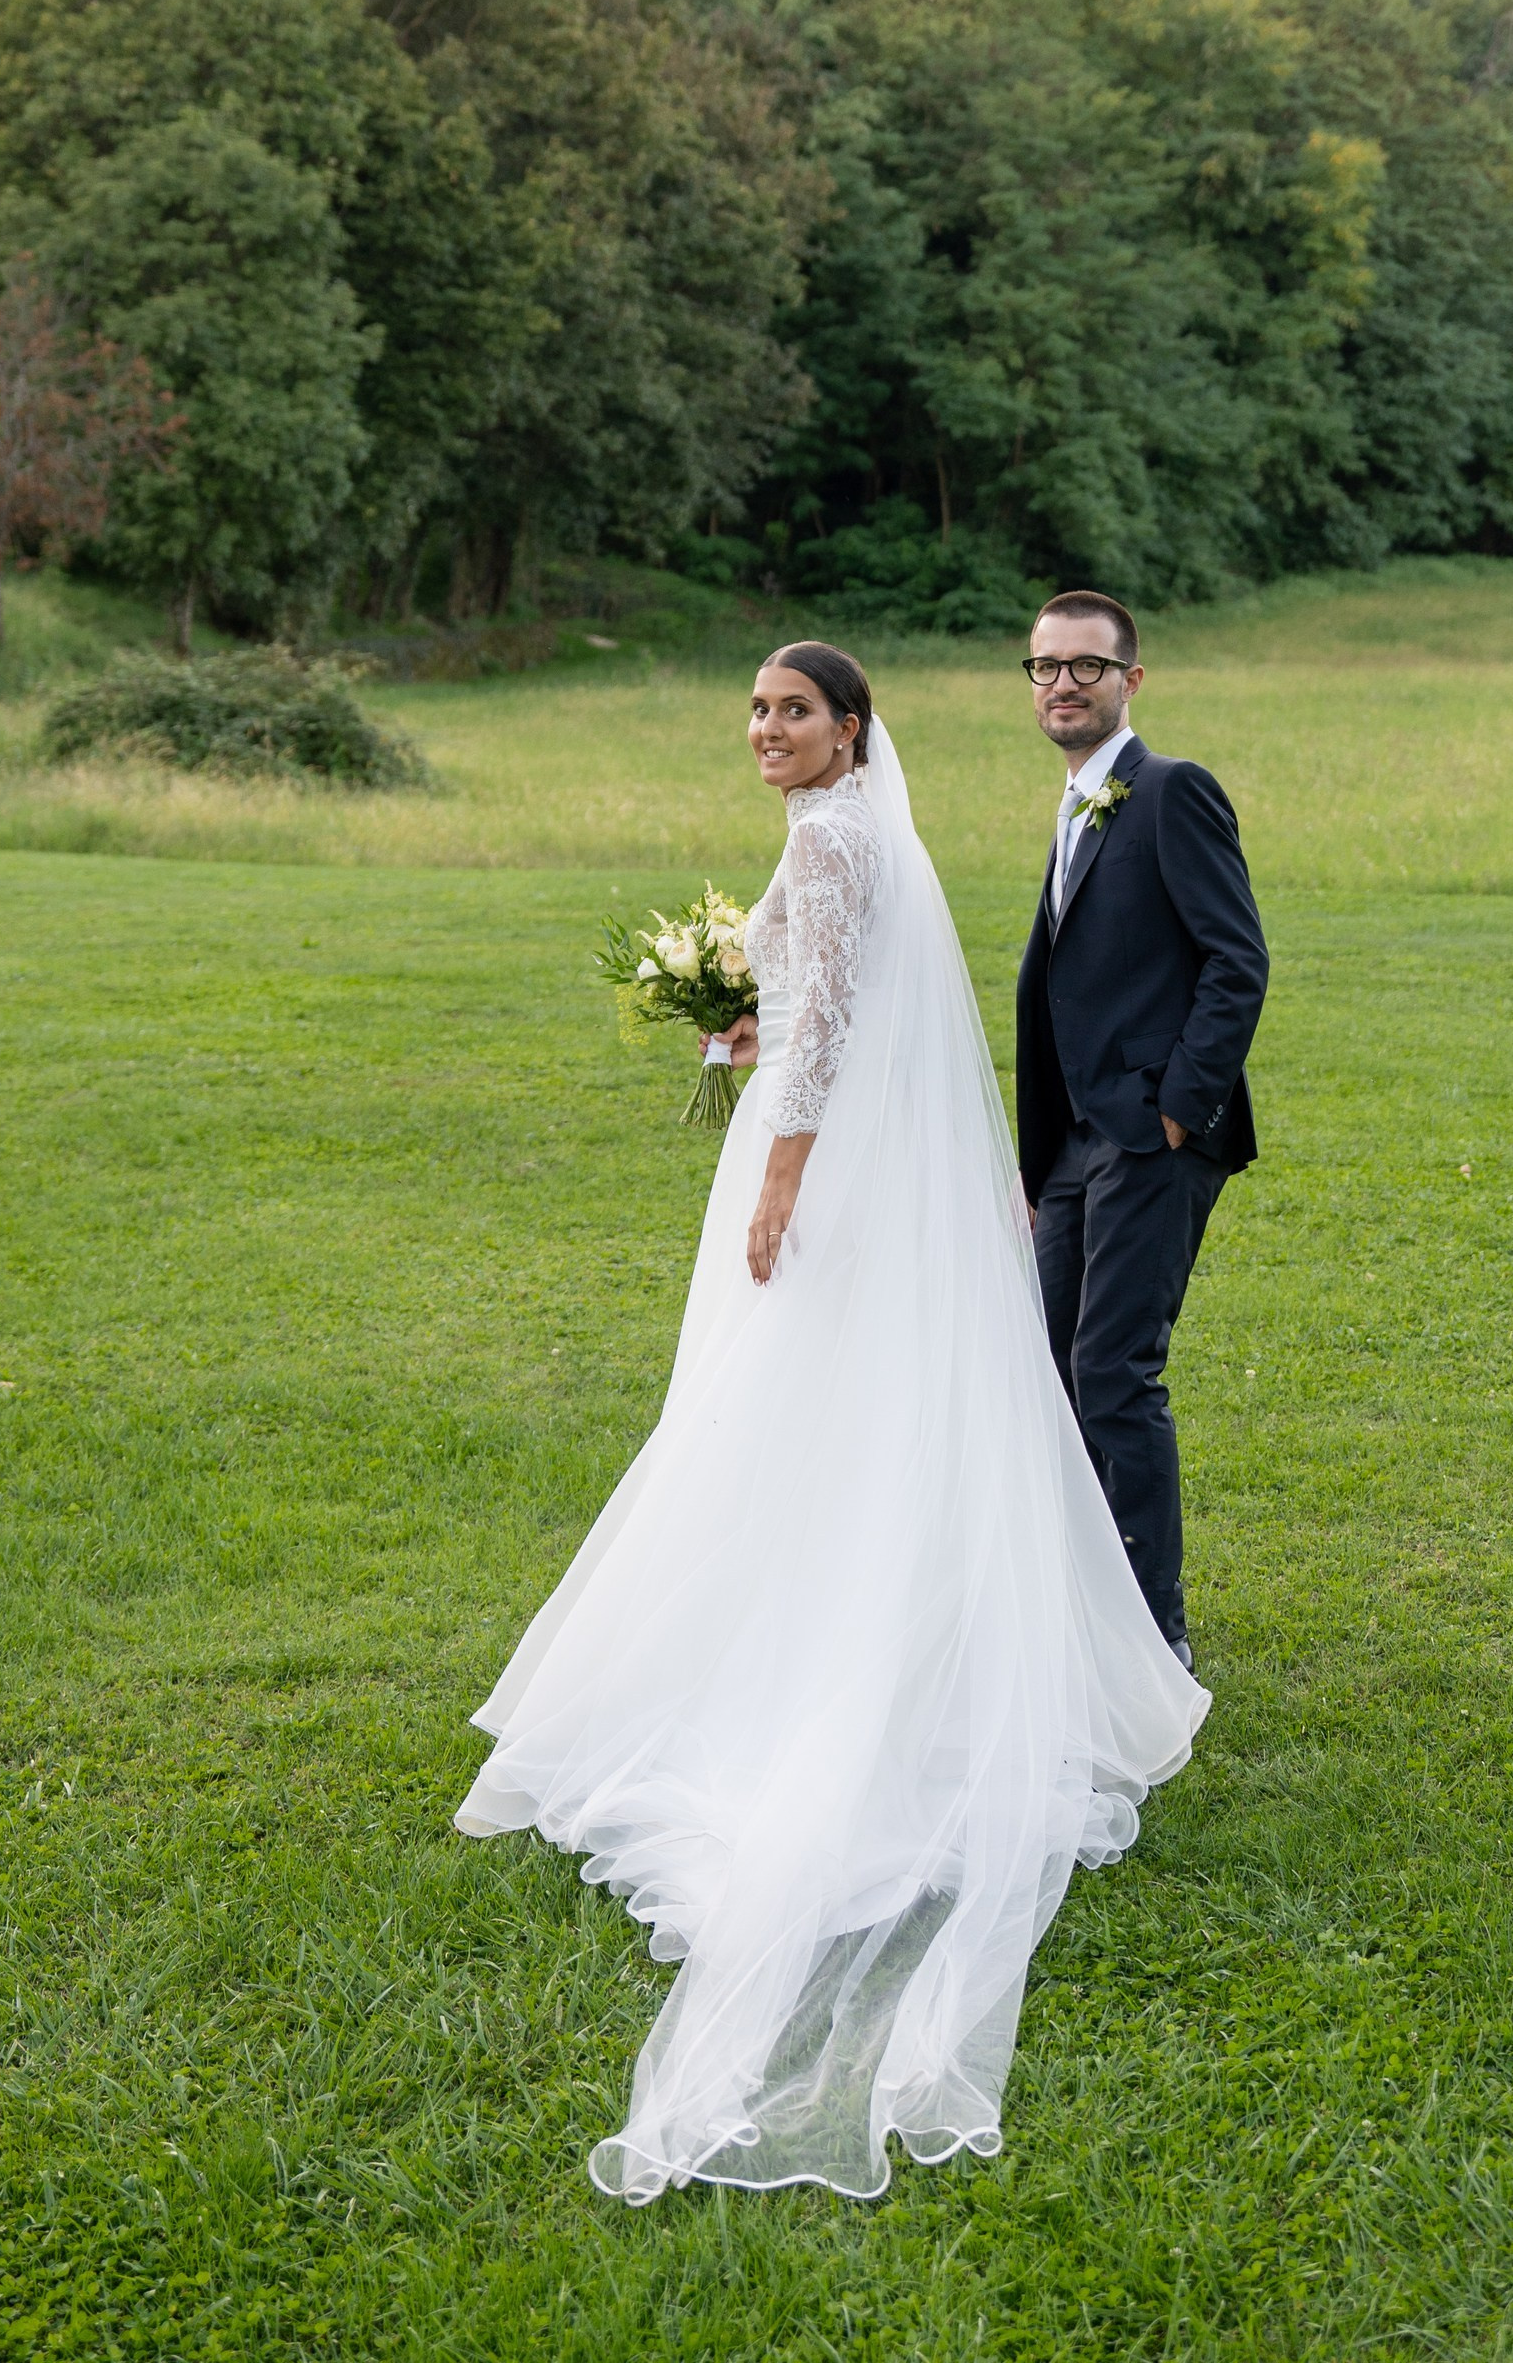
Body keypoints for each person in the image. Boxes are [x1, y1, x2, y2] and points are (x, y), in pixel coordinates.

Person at [456, 642, 1207, 2205]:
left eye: (791, 711)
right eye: (751, 710)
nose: (764, 731)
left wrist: (782, 1165)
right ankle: (840, 1619)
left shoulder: (839, 835)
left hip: (822, 1169)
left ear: (850, 729)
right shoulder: (853, 831)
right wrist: (737, 1034)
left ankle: (818, 1669)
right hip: (836, 1148)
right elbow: (819, 1007)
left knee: (783, 1404)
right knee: (814, 1410)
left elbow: (842, 1023)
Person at [1015, 591, 1269, 1672]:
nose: (1063, 683)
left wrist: (1178, 1105)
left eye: (1086, 666)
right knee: (1049, 1369)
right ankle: (1084, 1604)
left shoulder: (1168, 791)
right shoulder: (1076, 803)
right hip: (1072, 1145)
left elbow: (1235, 958)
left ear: (1131, 678)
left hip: (1151, 1133)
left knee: (1114, 1370)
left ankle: (1154, 1637)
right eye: (1043, 667)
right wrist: (1042, 1156)